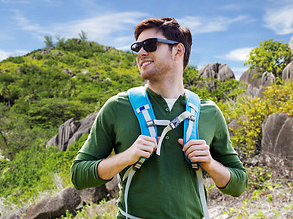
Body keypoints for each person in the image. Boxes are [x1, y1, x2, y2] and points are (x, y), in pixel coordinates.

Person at [71, 17, 247, 219]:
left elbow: (238, 184)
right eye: (137, 47)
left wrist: (210, 163)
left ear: (178, 51)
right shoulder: (118, 107)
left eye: (150, 45)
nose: (141, 53)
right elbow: (79, 175)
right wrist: (126, 157)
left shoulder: (208, 112)